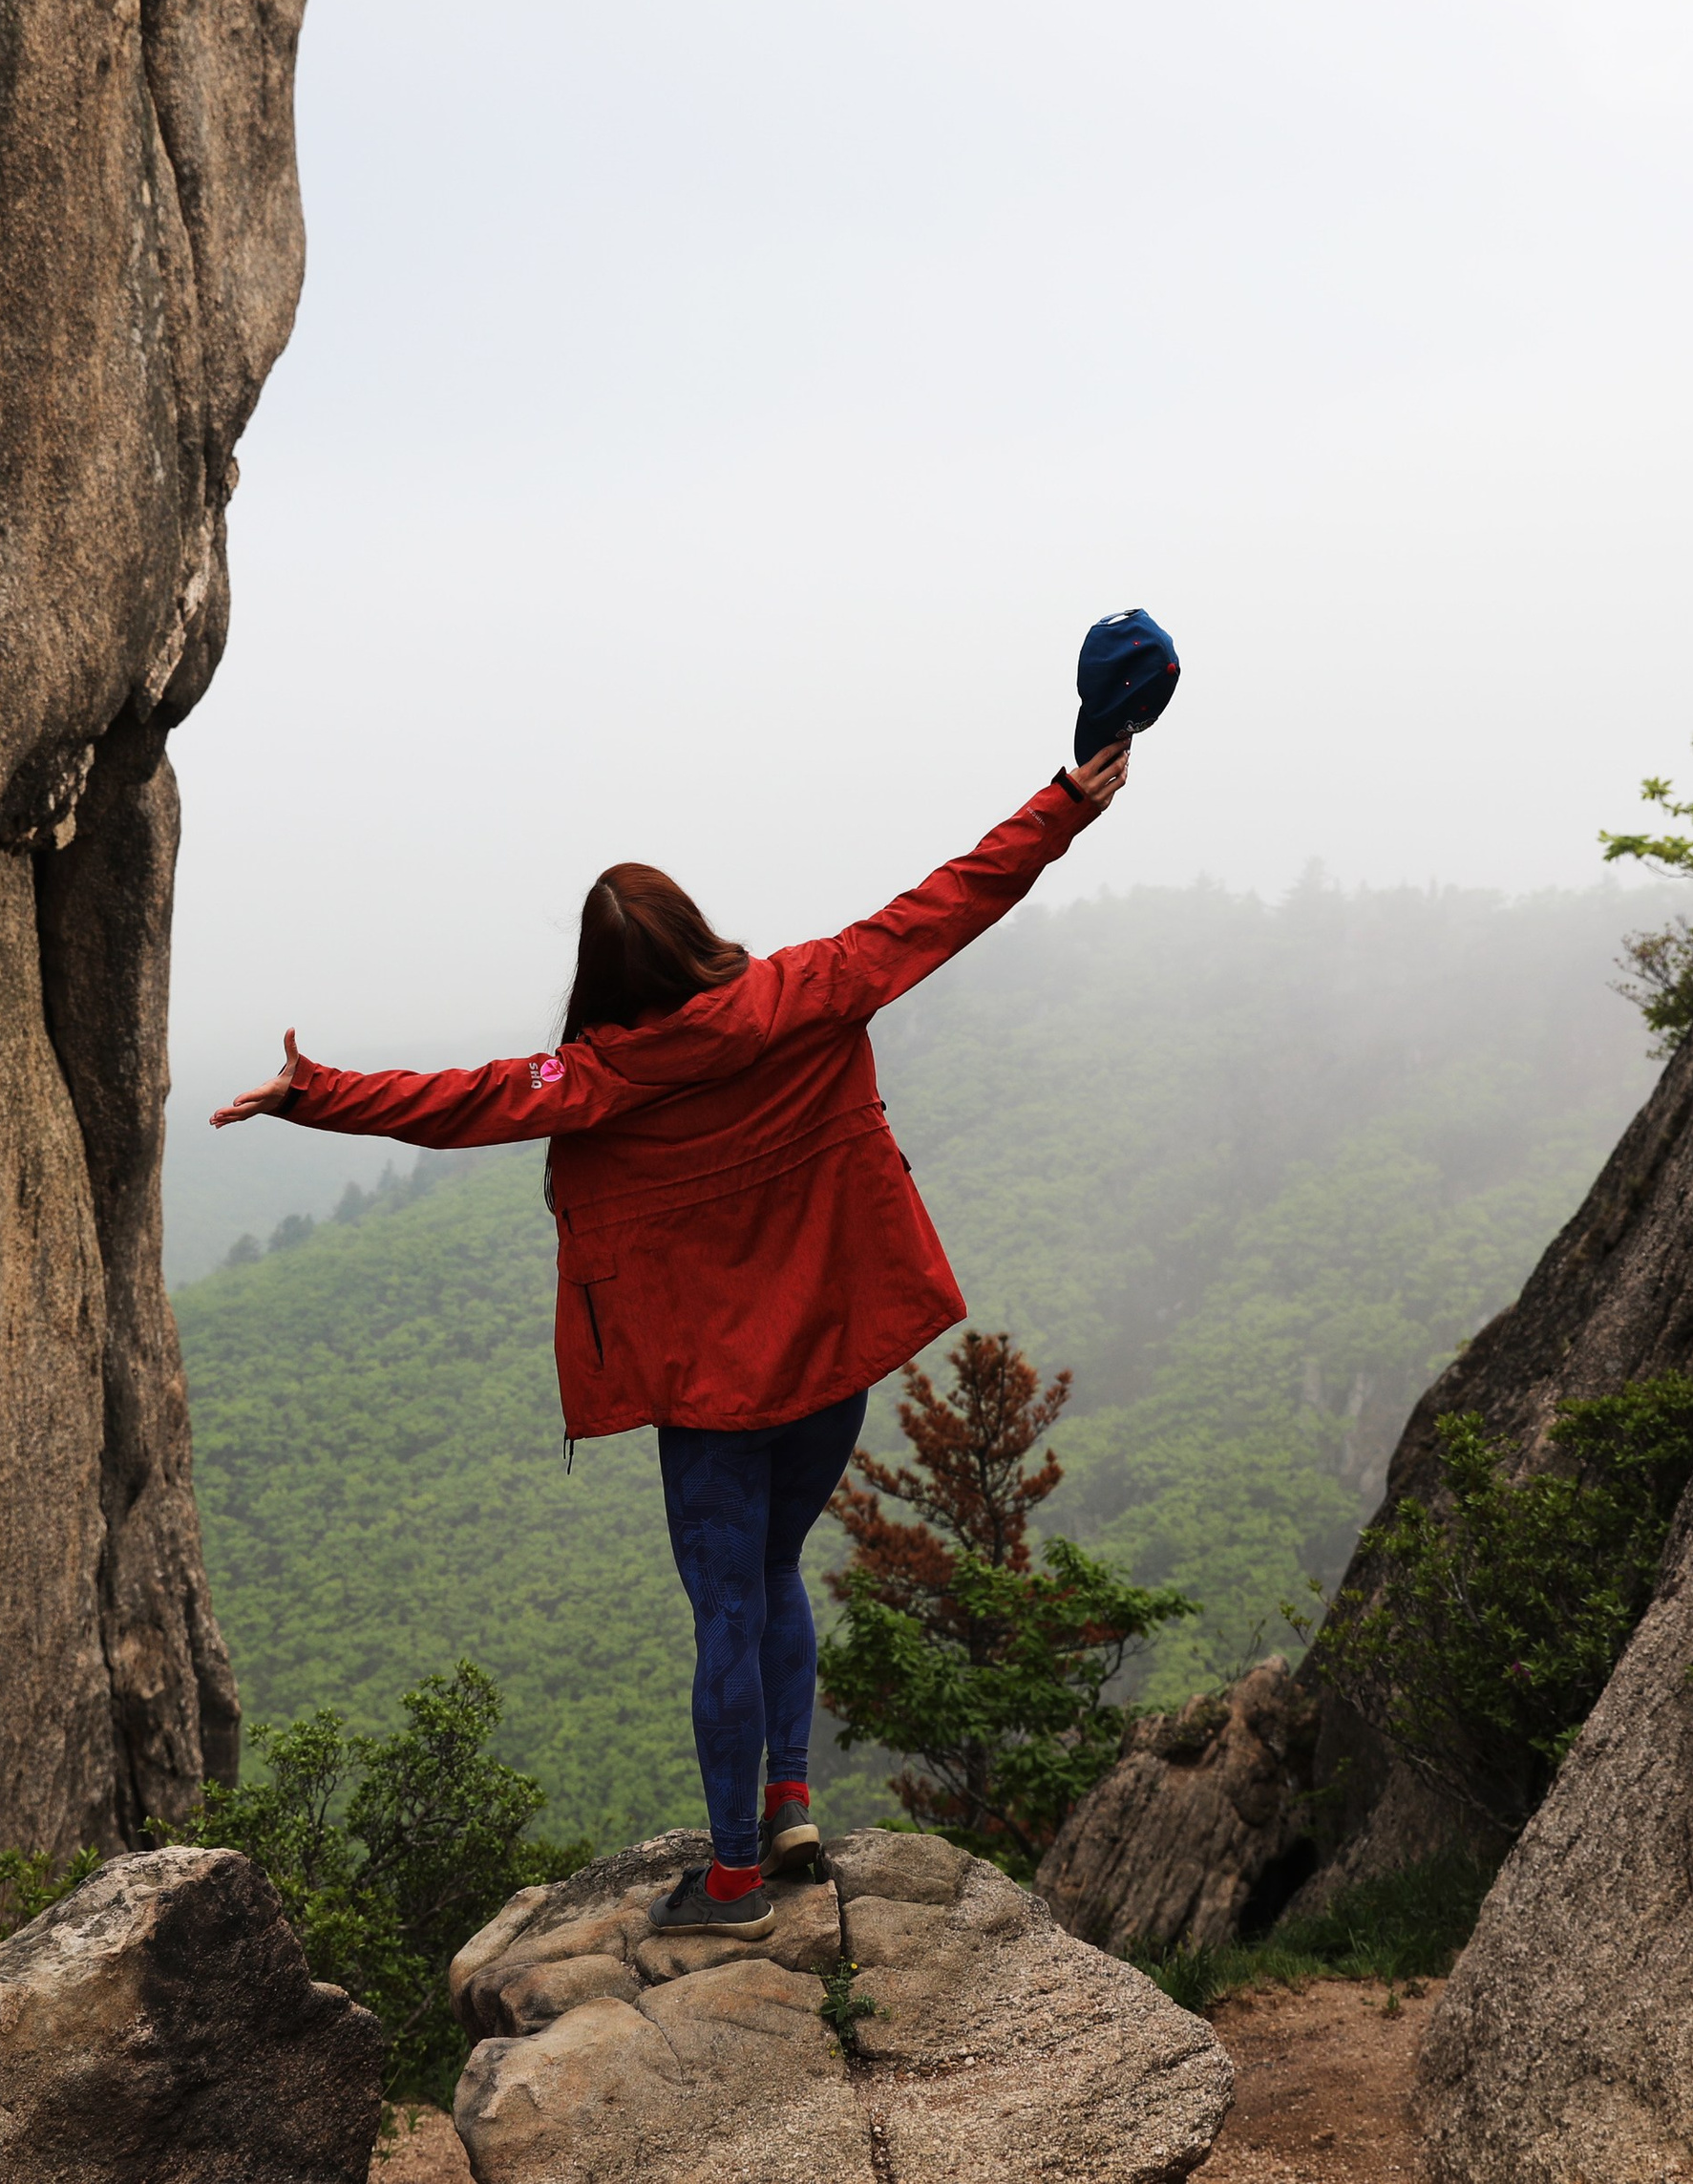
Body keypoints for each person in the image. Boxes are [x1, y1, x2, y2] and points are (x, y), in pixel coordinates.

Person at [211, 738, 1132, 1937]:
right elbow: (951, 898)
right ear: (697, 935)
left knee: (726, 1614)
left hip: (711, 1400)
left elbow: (459, 1100)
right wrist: (1065, 801)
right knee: (776, 1572)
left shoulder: (589, 1077)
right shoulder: (810, 990)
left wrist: (312, 1090)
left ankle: (737, 1877)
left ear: (602, 976)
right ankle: (791, 1804)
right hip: (823, 1363)